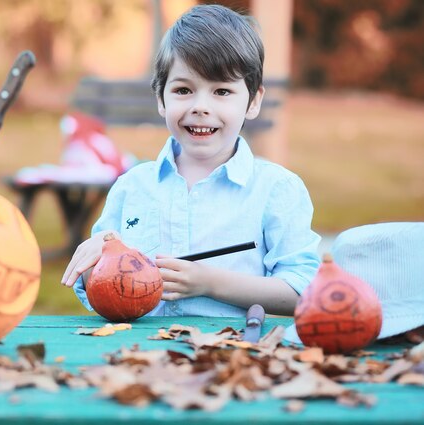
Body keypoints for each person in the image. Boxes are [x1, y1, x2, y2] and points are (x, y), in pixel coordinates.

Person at [61, 4, 320, 317]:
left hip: (233, 355)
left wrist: (210, 283)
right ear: (161, 99)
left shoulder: (277, 189)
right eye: (184, 90)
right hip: (139, 357)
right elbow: (99, 288)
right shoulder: (131, 187)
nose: (200, 106)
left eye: (222, 91)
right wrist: (96, 260)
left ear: (253, 102)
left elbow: (302, 291)